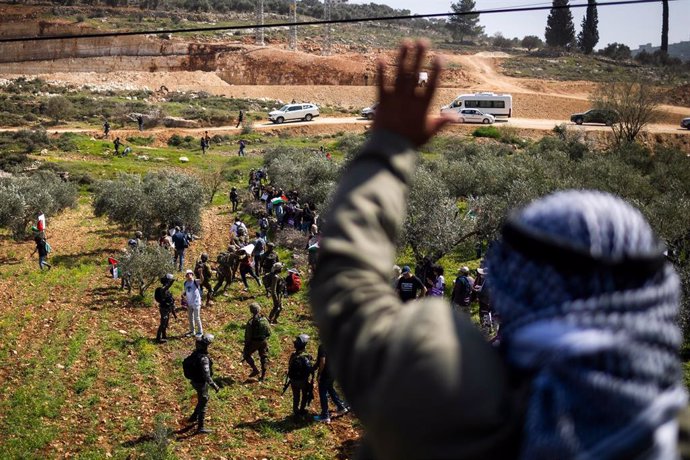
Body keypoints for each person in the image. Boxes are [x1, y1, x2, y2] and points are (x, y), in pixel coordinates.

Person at [310, 40, 689, 459]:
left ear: (511, 286)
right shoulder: (671, 436)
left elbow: (346, 284)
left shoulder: (441, 397)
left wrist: (387, 149)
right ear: (658, 293)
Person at [184, 333, 219, 434]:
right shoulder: (204, 359)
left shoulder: (195, 354)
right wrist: (214, 385)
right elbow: (207, 376)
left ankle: (193, 417)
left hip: (195, 381)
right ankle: (201, 427)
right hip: (200, 383)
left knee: (202, 399)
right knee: (203, 401)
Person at [313, 343, 348, 423]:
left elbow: (322, 361)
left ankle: (325, 416)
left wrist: (319, 374)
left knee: (323, 392)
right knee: (330, 388)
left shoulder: (323, 346)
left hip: (325, 373)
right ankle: (341, 407)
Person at [285, 334, 314, 418]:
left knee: (296, 396)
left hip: (293, 380)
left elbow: (289, 366)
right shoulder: (306, 357)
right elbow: (310, 369)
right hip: (303, 381)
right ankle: (302, 410)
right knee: (304, 395)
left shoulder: (293, 355)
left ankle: (295, 411)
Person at [243, 303, 271, 381]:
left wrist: (247, 345)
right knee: (264, 357)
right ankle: (263, 376)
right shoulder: (265, 319)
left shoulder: (251, 322)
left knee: (246, 354)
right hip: (264, 341)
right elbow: (269, 332)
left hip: (254, 342)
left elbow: (248, 336)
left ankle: (255, 369)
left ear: (251, 311)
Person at [154, 274, 176, 343]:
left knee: (165, 324)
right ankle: (158, 338)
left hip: (167, 309)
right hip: (164, 309)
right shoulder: (162, 289)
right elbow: (165, 288)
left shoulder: (167, 291)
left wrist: (174, 314)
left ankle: (164, 335)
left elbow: (171, 303)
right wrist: (170, 283)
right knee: (163, 323)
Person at [183, 269, 203, 337]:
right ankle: (192, 331)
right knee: (190, 318)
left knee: (197, 317)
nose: (189, 275)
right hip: (189, 303)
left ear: (192, 274)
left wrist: (200, 273)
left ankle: (200, 332)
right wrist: (183, 297)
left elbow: (202, 280)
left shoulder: (195, 281)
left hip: (196, 303)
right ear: (186, 276)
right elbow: (186, 292)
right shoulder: (185, 283)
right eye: (187, 274)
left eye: (190, 274)